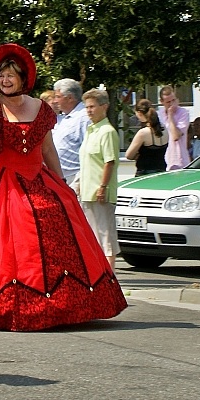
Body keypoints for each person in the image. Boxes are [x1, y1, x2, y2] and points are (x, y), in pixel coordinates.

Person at [0, 44, 127, 331]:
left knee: (50, 224)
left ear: (24, 78)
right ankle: (4, 306)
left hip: (38, 177)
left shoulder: (41, 108)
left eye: (11, 75)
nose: (5, 80)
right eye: (1, 75)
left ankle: (60, 305)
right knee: (3, 245)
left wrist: (60, 183)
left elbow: (48, 150)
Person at [79, 88, 120, 268]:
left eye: (92, 106)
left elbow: (109, 161)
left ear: (104, 107)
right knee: (93, 237)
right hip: (87, 191)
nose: (89, 110)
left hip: (100, 191)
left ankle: (110, 276)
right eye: (87, 107)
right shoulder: (91, 130)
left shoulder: (107, 131)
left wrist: (103, 186)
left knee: (106, 238)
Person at [51, 78, 88, 184]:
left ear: (70, 98)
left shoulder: (84, 117)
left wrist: (82, 180)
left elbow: (89, 151)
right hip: (60, 178)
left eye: (58, 96)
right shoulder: (63, 118)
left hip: (75, 179)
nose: (55, 101)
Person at [124, 99, 167, 176]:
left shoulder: (143, 133)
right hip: (161, 171)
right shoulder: (165, 129)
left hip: (145, 172)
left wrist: (137, 155)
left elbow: (128, 155)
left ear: (139, 113)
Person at [157, 85, 190, 170]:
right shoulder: (159, 115)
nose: (172, 104)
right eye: (168, 102)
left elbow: (176, 136)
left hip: (179, 160)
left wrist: (170, 116)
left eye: (173, 100)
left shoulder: (183, 113)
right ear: (162, 102)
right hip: (163, 160)